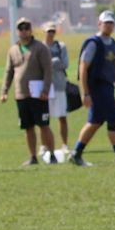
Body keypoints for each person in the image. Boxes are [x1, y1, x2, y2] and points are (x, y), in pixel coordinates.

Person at [71, 10, 115, 167]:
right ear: (99, 24)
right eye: (106, 23)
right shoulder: (93, 43)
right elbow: (83, 67)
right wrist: (85, 93)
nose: (109, 26)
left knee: (95, 121)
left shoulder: (113, 43)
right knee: (113, 118)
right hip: (97, 87)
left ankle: (76, 154)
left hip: (107, 87)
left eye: (111, 23)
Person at [0, 17, 58, 165]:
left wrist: (45, 90)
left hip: (38, 94)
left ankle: (52, 154)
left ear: (31, 30)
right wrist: (4, 91)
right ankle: (33, 156)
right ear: (17, 31)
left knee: (44, 125)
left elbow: (48, 70)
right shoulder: (13, 50)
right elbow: (9, 72)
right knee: (28, 127)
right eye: (21, 28)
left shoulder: (40, 48)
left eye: (27, 28)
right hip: (21, 94)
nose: (24, 31)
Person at [44, 22, 71, 150]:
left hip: (59, 84)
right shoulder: (40, 47)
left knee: (62, 116)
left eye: (53, 31)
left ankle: (64, 144)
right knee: (44, 118)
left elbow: (65, 64)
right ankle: (44, 145)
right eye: (48, 31)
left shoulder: (61, 46)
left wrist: (51, 62)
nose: (51, 34)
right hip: (44, 86)